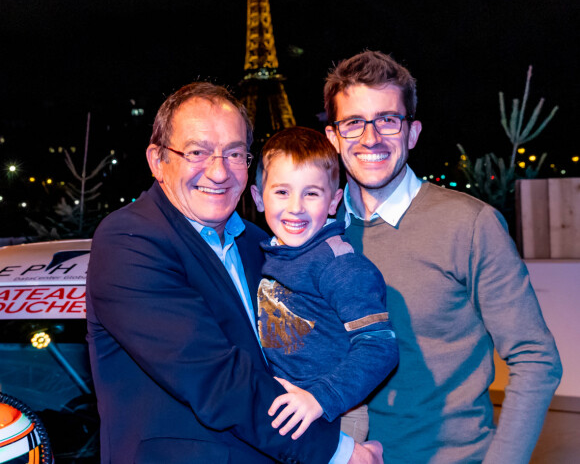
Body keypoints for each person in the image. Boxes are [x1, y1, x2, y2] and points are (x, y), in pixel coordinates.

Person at [86, 81, 383, 464]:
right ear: (158, 160)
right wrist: (340, 452)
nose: (218, 171)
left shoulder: (261, 243)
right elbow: (215, 378)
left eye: (235, 154)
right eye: (197, 152)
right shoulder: (129, 240)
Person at [323, 50, 562, 463]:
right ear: (333, 137)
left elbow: (536, 358)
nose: (370, 138)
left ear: (412, 133)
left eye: (387, 120)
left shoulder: (469, 226)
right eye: (354, 123)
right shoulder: (319, 233)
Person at [250, 126, 399, 443]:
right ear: (258, 198)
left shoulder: (340, 264)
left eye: (311, 193)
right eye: (281, 192)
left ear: (334, 201)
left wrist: (320, 398)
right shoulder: (269, 255)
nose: (295, 207)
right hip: (290, 407)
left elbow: (379, 346)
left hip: (337, 413)